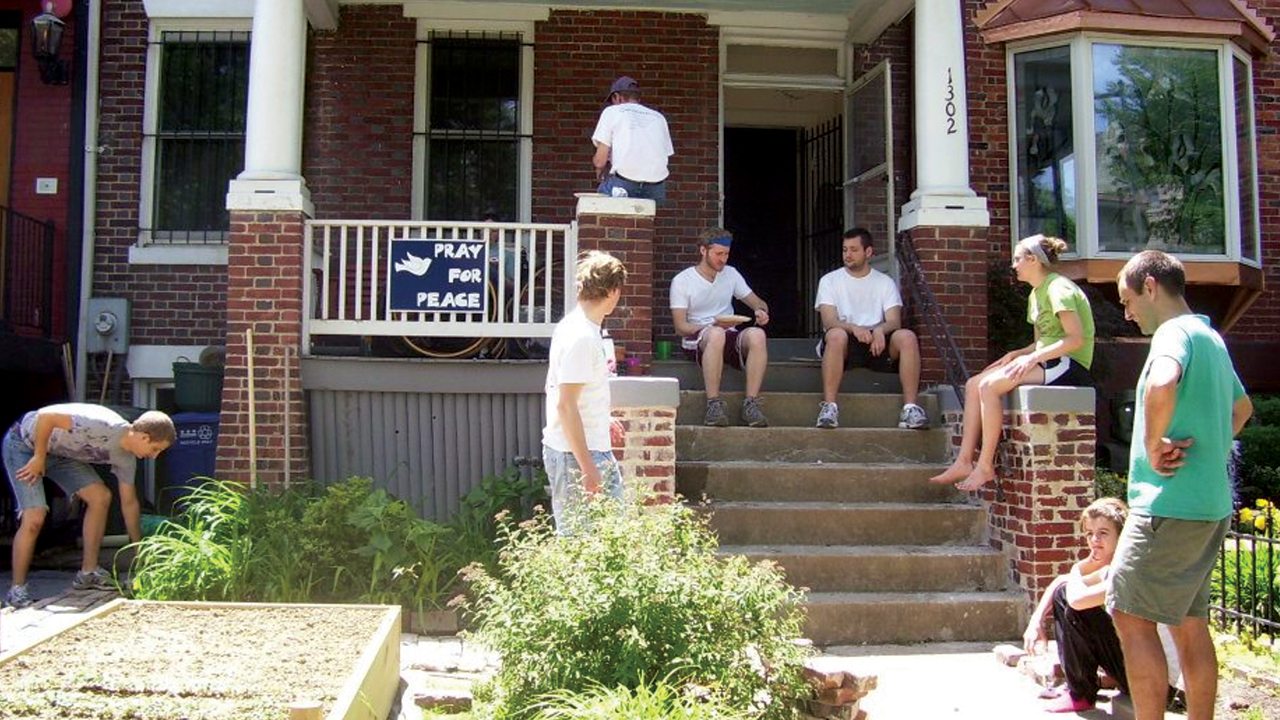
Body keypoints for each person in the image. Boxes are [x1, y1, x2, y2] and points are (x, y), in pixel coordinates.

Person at [1108, 250, 1252, 720]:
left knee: (1129, 615)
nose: (1127, 313)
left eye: (1128, 301)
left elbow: (1162, 382)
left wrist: (1152, 443)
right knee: (1191, 624)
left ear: (1150, 286)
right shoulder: (1210, 336)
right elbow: (1242, 409)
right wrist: (1208, 447)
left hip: (1167, 506)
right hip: (1209, 505)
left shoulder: (1172, 333)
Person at [930, 234, 1095, 490]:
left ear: (1033, 259)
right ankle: (964, 461)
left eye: (1018, 259)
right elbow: (1042, 341)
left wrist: (1033, 357)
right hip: (1048, 360)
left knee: (990, 387)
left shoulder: (1058, 288)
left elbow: (1075, 340)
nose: (1014, 265)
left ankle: (985, 466)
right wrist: (1017, 354)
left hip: (1068, 364)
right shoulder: (1036, 294)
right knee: (974, 384)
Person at [4, 403, 174, 608]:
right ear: (144, 437)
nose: (153, 456)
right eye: (155, 449)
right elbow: (45, 416)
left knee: (100, 496)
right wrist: (39, 457)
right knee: (35, 516)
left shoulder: (126, 459)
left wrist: (138, 548)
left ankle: (88, 572)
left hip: (60, 455)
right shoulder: (102, 425)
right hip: (26, 444)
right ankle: (17, 591)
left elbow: (129, 504)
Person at [543, 251, 629, 532]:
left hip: (586, 449)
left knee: (607, 545)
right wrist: (588, 469)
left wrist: (603, 419)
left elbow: (574, 395)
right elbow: (565, 406)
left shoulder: (579, 328)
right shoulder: (581, 336)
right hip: (577, 455)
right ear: (613, 291)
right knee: (581, 549)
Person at [1023, 497, 1130, 713]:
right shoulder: (1111, 568)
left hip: (1150, 676)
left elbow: (1076, 599)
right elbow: (1060, 582)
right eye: (1089, 533)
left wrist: (1081, 567)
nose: (1094, 540)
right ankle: (1077, 686)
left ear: (1122, 536)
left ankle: (1080, 693)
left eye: (1103, 533)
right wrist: (1036, 621)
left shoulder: (1126, 571)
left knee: (1071, 601)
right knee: (1063, 593)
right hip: (1132, 664)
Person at [813, 228, 927, 430]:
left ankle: (910, 409)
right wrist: (854, 328)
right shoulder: (829, 281)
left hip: (877, 342)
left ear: (868, 252)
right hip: (845, 343)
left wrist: (879, 331)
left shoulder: (884, 282)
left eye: (854, 250)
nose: (847, 255)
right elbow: (829, 321)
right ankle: (829, 408)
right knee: (836, 335)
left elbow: (894, 321)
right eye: (845, 249)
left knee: (907, 337)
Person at [670, 227, 771, 427]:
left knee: (758, 335)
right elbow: (680, 327)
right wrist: (713, 324)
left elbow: (758, 302)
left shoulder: (731, 274)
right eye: (718, 254)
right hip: (698, 337)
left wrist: (760, 312)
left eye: (726, 254)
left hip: (729, 334)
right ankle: (713, 405)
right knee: (716, 334)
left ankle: (751, 404)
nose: (723, 259)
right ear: (703, 251)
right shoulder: (682, 281)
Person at [592, 76, 673, 204]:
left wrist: (600, 174)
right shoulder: (659, 117)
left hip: (624, 183)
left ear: (617, 97)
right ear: (638, 98)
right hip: (656, 188)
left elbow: (600, 162)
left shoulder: (612, 112)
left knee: (598, 201)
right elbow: (665, 154)